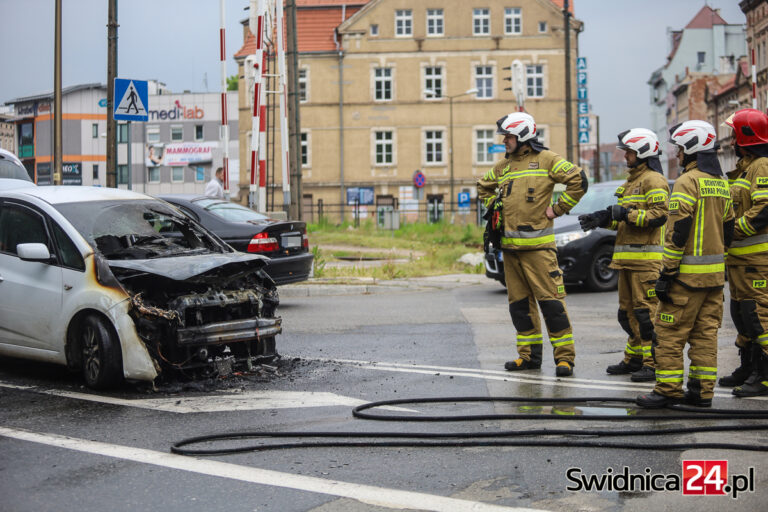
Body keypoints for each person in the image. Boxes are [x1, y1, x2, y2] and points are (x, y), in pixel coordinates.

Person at [477, 112, 588, 377]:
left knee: (551, 305)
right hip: (510, 252)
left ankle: (564, 359)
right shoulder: (504, 167)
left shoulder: (547, 160)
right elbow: (482, 186)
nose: (504, 140)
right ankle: (528, 357)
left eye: (509, 136)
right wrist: (494, 208)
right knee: (519, 307)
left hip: (539, 252)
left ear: (523, 136)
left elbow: (579, 181)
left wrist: (559, 208)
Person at [636, 120, 734, 408]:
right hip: (715, 280)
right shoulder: (720, 182)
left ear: (692, 148)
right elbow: (728, 230)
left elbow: (678, 232)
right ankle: (702, 393)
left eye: (679, 148)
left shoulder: (687, 182)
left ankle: (667, 390)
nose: (677, 154)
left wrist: (666, 272)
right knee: (705, 337)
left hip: (685, 280)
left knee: (668, 334)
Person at [578, 129, 669, 382]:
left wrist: (626, 214)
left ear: (642, 153)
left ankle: (652, 364)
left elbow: (659, 216)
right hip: (627, 262)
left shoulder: (654, 180)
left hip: (645, 265)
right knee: (627, 314)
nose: (625, 156)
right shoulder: (630, 183)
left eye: (629, 151)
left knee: (646, 316)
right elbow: (622, 222)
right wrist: (601, 219)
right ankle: (634, 359)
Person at [721, 109, 768, 397]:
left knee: (758, 316)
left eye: (734, 132)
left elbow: (763, 210)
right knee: (741, 314)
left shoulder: (762, 166)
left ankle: (764, 375)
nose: (730, 137)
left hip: (757, 261)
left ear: (744, 136)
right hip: (740, 260)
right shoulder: (746, 166)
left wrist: (731, 230)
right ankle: (749, 367)